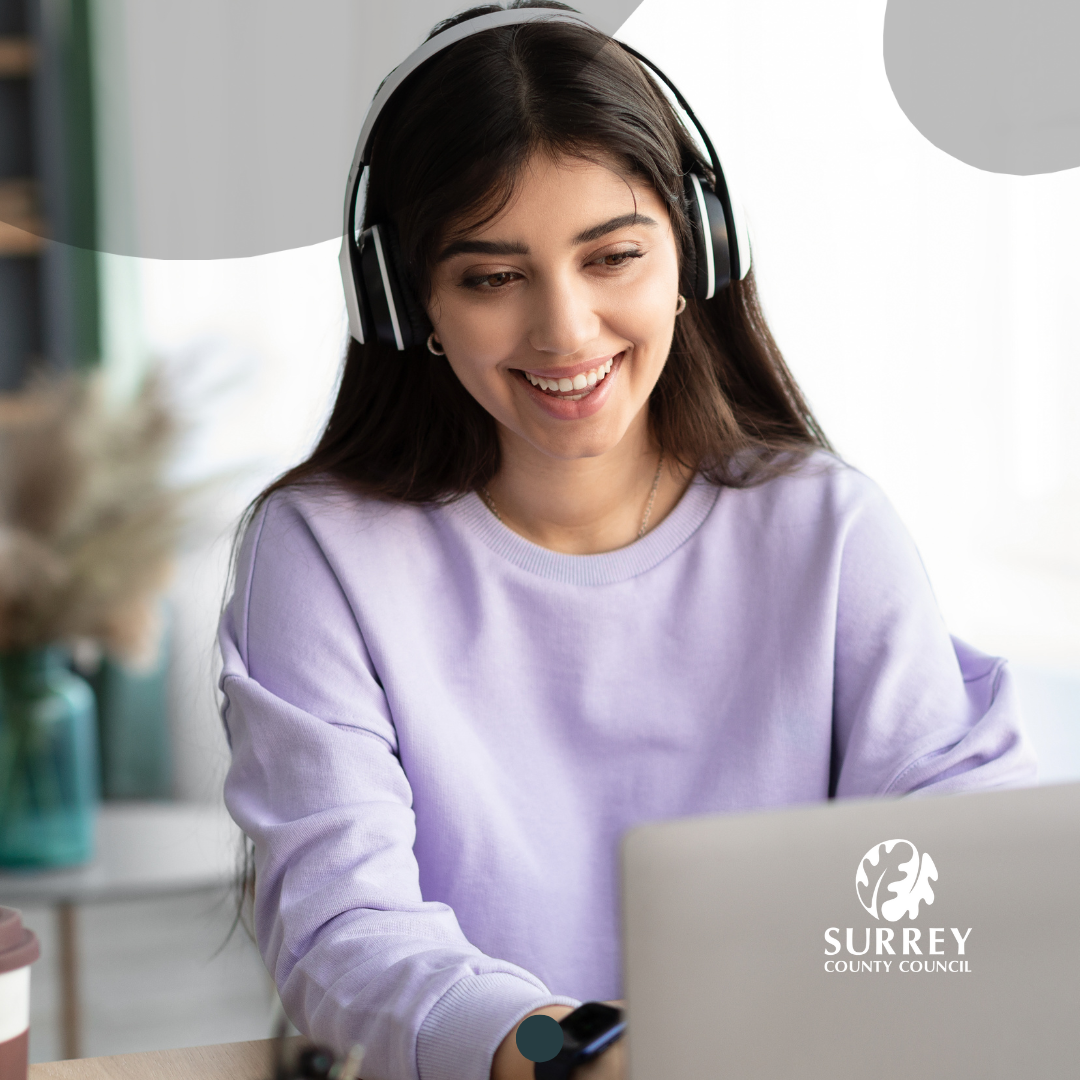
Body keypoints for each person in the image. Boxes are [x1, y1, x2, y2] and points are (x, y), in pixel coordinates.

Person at [217, 4, 1035, 1080]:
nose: (564, 331)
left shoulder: (825, 527)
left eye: (612, 256)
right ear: (403, 300)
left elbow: (963, 840)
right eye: (492, 278)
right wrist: (568, 1054)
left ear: (697, 248)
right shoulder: (323, 554)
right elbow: (343, 928)